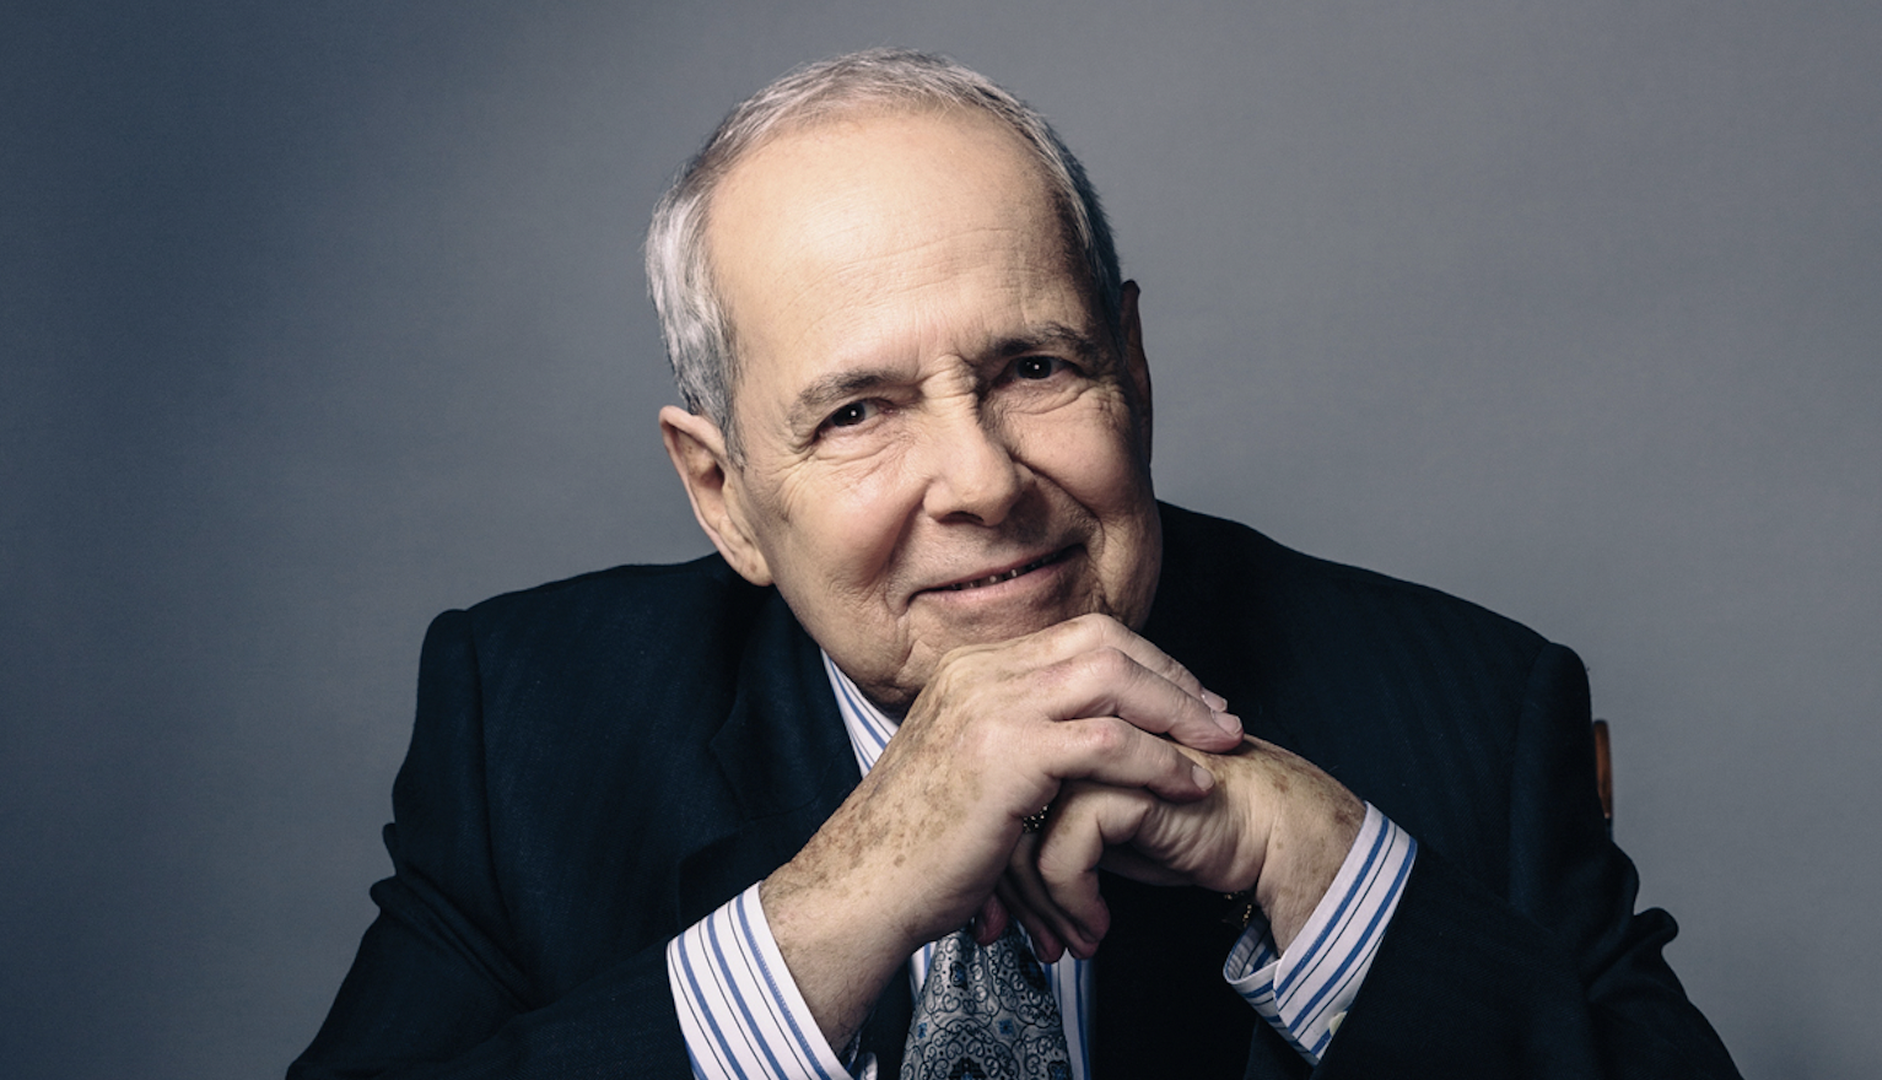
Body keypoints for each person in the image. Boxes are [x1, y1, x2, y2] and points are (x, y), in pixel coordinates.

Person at [291, 49, 1741, 1080]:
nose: (984, 481)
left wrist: (1311, 868)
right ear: (724, 495)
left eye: (1036, 366)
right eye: (858, 412)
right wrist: (828, 913)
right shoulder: (529, 725)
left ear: (1135, 370)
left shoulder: (1468, 711)